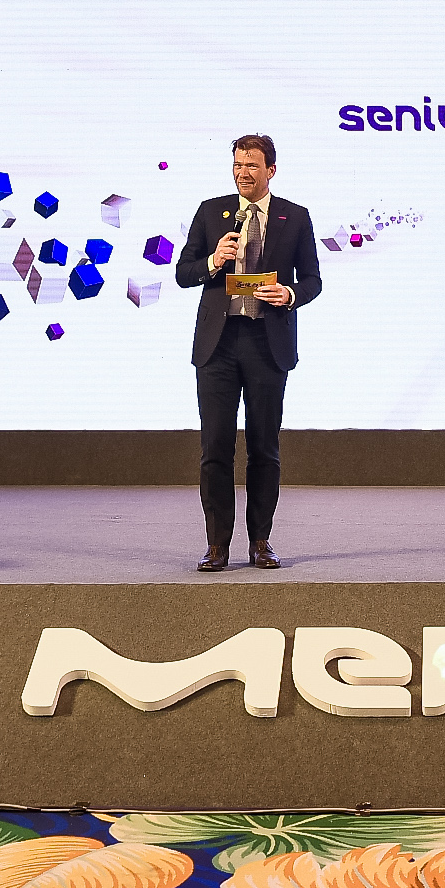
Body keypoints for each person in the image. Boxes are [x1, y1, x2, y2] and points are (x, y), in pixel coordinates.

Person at [175, 134, 321, 571]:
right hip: (218, 345)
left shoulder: (295, 216)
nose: (243, 173)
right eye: (238, 165)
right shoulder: (211, 211)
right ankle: (217, 545)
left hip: (266, 343)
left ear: (270, 170)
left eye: (252, 166)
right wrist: (213, 261)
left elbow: (312, 280)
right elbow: (183, 273)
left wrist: (289, 294)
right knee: (215, 448)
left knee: (264, 448)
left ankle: (260, 541)